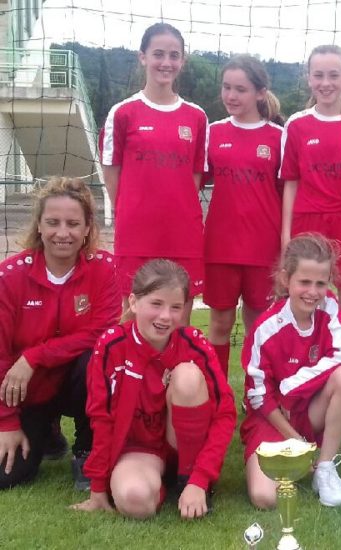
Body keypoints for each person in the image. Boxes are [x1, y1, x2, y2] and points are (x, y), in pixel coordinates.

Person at [71, 259, 236, 519]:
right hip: (140, 451)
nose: (165, 316)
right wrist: (98, 488)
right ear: (134, 302)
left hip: (183, 448)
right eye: (156, 304)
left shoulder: (194, 344)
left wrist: (201, 478)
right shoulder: (111, 345)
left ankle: (188, 480)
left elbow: (225, 414)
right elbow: (101, 419)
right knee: (134, 501)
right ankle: (160, 488)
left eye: (175, 307)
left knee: (187, 376)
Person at [0, 176, 121, 490]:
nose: (63, 233)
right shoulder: (10, 277)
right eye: (53, 222)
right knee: (7, 475)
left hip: (77, 384)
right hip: (27, 392)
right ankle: (46, 431)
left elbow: (102, 332)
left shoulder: (105, 268)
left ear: (87, 228)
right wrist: (7, 422)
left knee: (99, 354)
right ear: (39, 225)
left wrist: (34, 356)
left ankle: (87, 448)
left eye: (73, 223)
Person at [280, 45, 341, 434]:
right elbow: (290, 183)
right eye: (318, 75)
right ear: (308, 78)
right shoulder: (297, 125)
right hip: (308, 224)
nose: (326, 82)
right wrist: (287, 236)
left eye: (334, 75)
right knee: (306, 312)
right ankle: (304, 396)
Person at [241, 233, 341, 508]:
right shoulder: (267, 328)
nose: (313, 292)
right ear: (286, 279)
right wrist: (297, 441)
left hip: (307, 410)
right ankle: (297, 456)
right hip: (273, 419)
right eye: (304, 282)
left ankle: (325, 468)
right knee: (264, 498)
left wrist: (288, 388)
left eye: (321, 283)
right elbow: (259, 397)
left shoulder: (330, 309)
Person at [100, 22, 208, 323]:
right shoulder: (123, 112)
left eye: (174, 55)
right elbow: (111, 174)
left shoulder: (197, 117)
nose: (166, 62)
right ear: (143, 57)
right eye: (158, 54)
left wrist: (174, 208)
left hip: (182, 234)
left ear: (182, 61)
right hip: (137, 234)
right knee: (132, 319)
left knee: (178, 322)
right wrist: (134, 209)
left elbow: (194, 179)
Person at [204, 54, 284, 378]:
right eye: (226, 87)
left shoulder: (279, 137)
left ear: (260, 93)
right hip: (220, 247)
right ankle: (216, 393)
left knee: (259, 327)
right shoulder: (212, 133)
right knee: (220, 324)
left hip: (264, 249)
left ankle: (256, 396)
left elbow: (287, 194)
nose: (231, 95)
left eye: (241, 89)